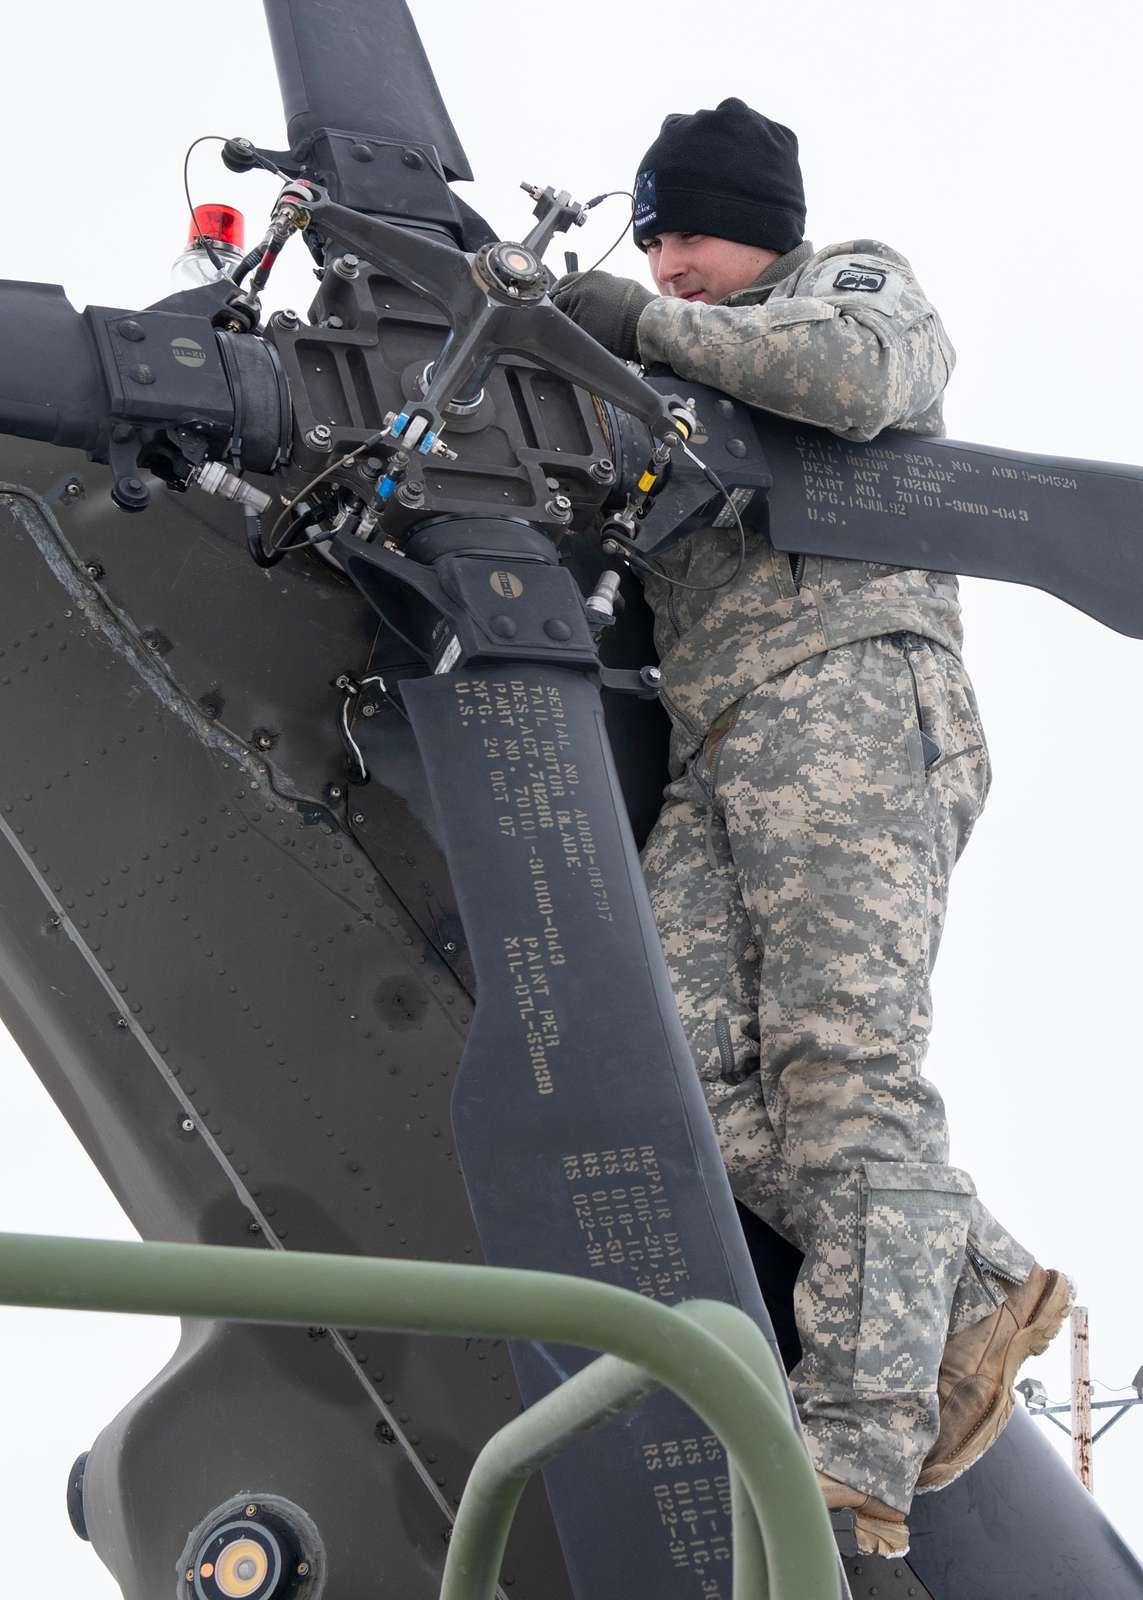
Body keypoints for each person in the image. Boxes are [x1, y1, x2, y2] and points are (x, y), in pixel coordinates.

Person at [552, 98, 1071, 1556]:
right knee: (658, 1068)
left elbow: (845, 383)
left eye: (691, 234)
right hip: (721, 744)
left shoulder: (852, 287)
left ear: (763, 222)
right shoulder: (670, 372)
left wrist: (634, 330)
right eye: (649, 242)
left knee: (845, 1068)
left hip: (852, 710)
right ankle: (974, 1280)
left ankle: (853, 1452)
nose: (667, 265)